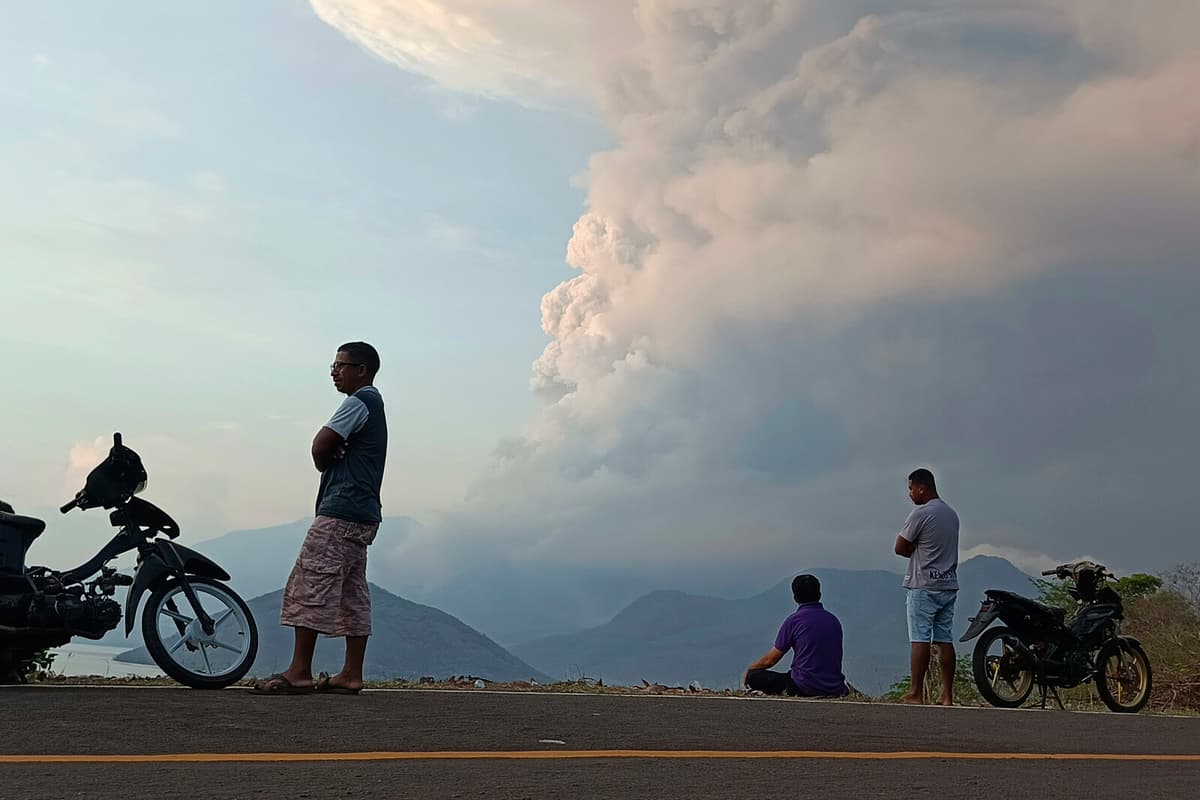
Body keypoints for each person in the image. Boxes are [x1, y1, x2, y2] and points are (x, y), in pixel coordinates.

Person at [253, 342, 387, 695]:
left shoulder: (360, 401)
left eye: (342, 365)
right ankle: (351, 673)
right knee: (352, 591)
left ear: (363, 370)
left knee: (310, 583)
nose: (334, 371)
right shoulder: (375, 405)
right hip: (364, 514)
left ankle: (299, 671)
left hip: (340, 510)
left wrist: (324, 460)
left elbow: (320, 444)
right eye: (334, 364)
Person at [894, 467, 960, 706]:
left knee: (920, 638)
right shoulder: (951, 514)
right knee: (944, 638)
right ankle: (947, 695)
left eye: (911, 488)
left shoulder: (920, 514)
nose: (910, 494)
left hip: (923, 584)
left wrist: (915, 550)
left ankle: (916, 693)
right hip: (948, 583)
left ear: (922, 487)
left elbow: (900, 547)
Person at [742, 574, 850, 697]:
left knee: (754, 676)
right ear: (819, 594)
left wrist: (751, 669)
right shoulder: (833, 620)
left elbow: (770, 660)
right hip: (834, 687)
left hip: (803, 687)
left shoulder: (794, 621)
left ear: (795, 597)